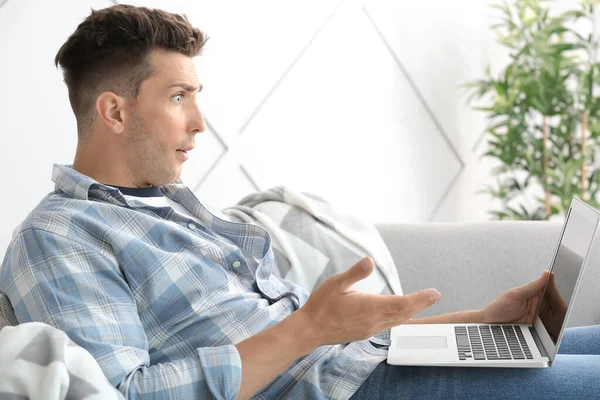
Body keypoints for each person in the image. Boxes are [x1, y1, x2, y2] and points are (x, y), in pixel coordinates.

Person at [0, 5, 597, 399]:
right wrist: (307, 328)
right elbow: (126, 392)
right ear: (114, 110)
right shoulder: (60, 238)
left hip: (360, 372)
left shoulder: (170, 206)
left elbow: (335, 350)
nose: (200, 122)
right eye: (179, 96)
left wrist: (479, 321)